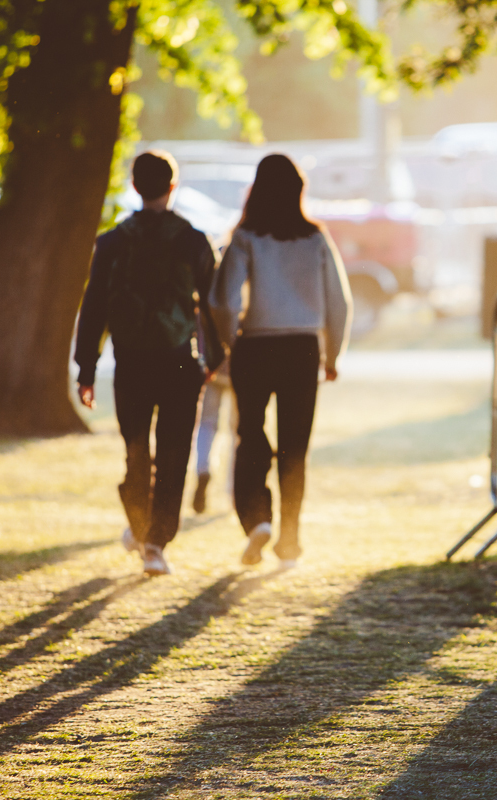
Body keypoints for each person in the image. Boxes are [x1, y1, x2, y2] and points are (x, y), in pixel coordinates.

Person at [74, 150, 224, 576]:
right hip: (180, 363)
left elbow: (94, 309)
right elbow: (212, 307)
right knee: (174, 455)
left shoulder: (112, 243)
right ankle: (155, 541)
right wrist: (215, 358)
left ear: (134, 186)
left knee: (136, 452)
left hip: (131, 364)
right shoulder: (194, 242)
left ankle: (142, 529)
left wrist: (86, 369)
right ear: (173, 187)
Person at [209, 153, 352, 568]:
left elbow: (224, 300)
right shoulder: (315, 238)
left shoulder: (246, 237)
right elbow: (339, 302)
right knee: (295, 446)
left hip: (254, 346)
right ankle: (289, 537)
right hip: (302, 349)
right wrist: (332, 355)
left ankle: (257, 518)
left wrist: (228, 343)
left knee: (250, 434)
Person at [192, 361, 232, 514]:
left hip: (214, 366)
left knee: (207, 422)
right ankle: (234, 492)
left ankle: (203, 468)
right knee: (238, 430)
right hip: (240, 364)